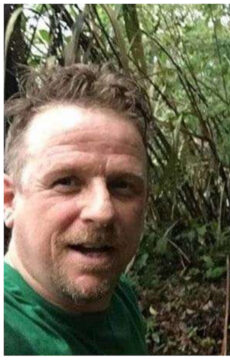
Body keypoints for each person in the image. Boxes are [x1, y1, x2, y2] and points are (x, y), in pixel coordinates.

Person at [4, 63, 150, 355]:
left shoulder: (119, 297)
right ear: (9, 201)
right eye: (66, 182)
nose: (103, 211)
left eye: (122, 185)